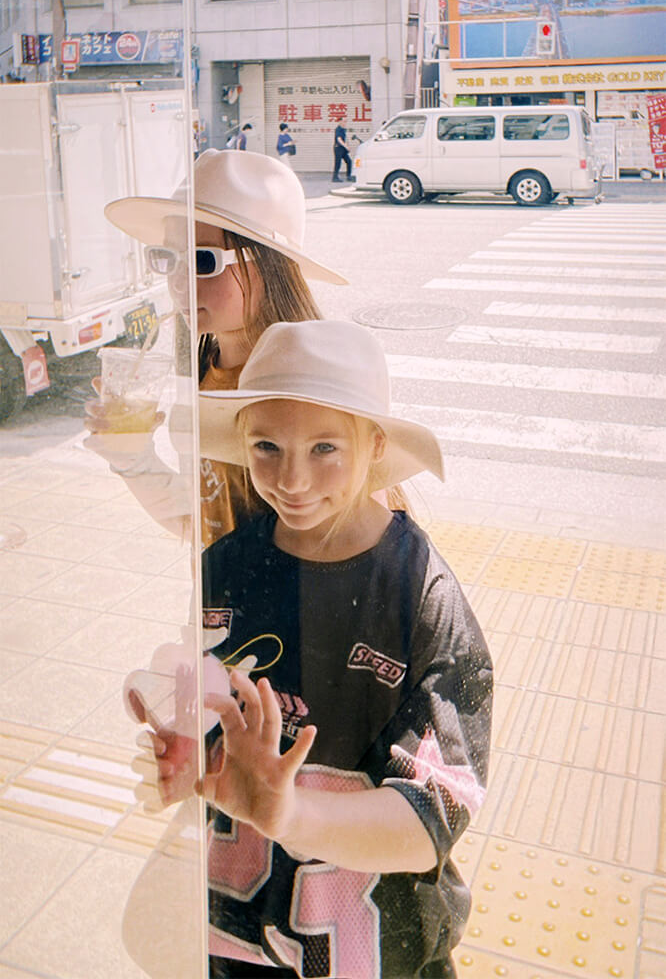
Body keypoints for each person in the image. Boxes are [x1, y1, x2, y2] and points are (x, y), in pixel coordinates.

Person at [196, 319, 493, 978]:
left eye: (324, 447)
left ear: (375, 444)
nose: (293, 479)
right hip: (237, 944)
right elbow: (204, 719)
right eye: (267, 446)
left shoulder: (421, 595)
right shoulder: (224, 567)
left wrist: (292, 812)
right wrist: (181, 749)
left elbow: (432, 820)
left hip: (382, 953)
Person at [85, 148, 346, 548]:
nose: (179, 281)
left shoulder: (306, 389)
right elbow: (207, 523)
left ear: (272, 266)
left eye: (202, 260)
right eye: (168, 257)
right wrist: (132, 457)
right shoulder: (207, 364)